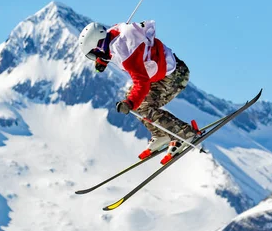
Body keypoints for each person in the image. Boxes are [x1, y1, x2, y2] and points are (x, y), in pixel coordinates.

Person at [78, 20, 198, 164]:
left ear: (98, 45)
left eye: (94, 54)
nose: (95, 57)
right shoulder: (112, 34)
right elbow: (112, 47)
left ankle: (183, 133)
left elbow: (142, 83)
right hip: (163, 71)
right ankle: (161, 134)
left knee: (141, 106)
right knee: (136, 101)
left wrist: (130, 103)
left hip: (175, 76)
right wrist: (103, 60)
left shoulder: (126, 54)